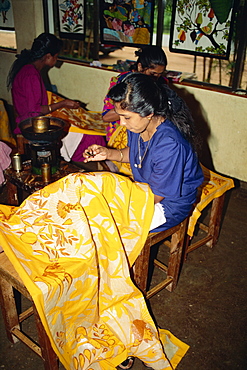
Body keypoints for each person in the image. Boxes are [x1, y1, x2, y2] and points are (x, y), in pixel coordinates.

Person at [84, 73, 204, 233]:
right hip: (146, 190)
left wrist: (119, 204)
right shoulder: (138, 126)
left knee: (106, 226)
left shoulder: (170, 144)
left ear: (149, 113)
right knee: (90, 204)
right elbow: (137, 153)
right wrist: (107, 154)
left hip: (168, 204)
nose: (121, 123)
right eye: (120, 116)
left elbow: (157, 195)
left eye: (126, 117)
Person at [6, 32, 106, 165]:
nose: (57, 60)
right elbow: (35, 110)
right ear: (48, 57)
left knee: (78, 118)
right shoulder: (31, 75)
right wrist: (63, 103)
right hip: (32, 125)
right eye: (56, 56)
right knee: (91, 135)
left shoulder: (28, 70)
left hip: (29, 119)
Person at [102, 45, 168, 142]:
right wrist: (135, 108)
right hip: (123, 133)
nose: (156, 78)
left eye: (160, 74)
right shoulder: (122, 81)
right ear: (140, 66)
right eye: (152, 74)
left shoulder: (162, 83)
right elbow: (106, 117)